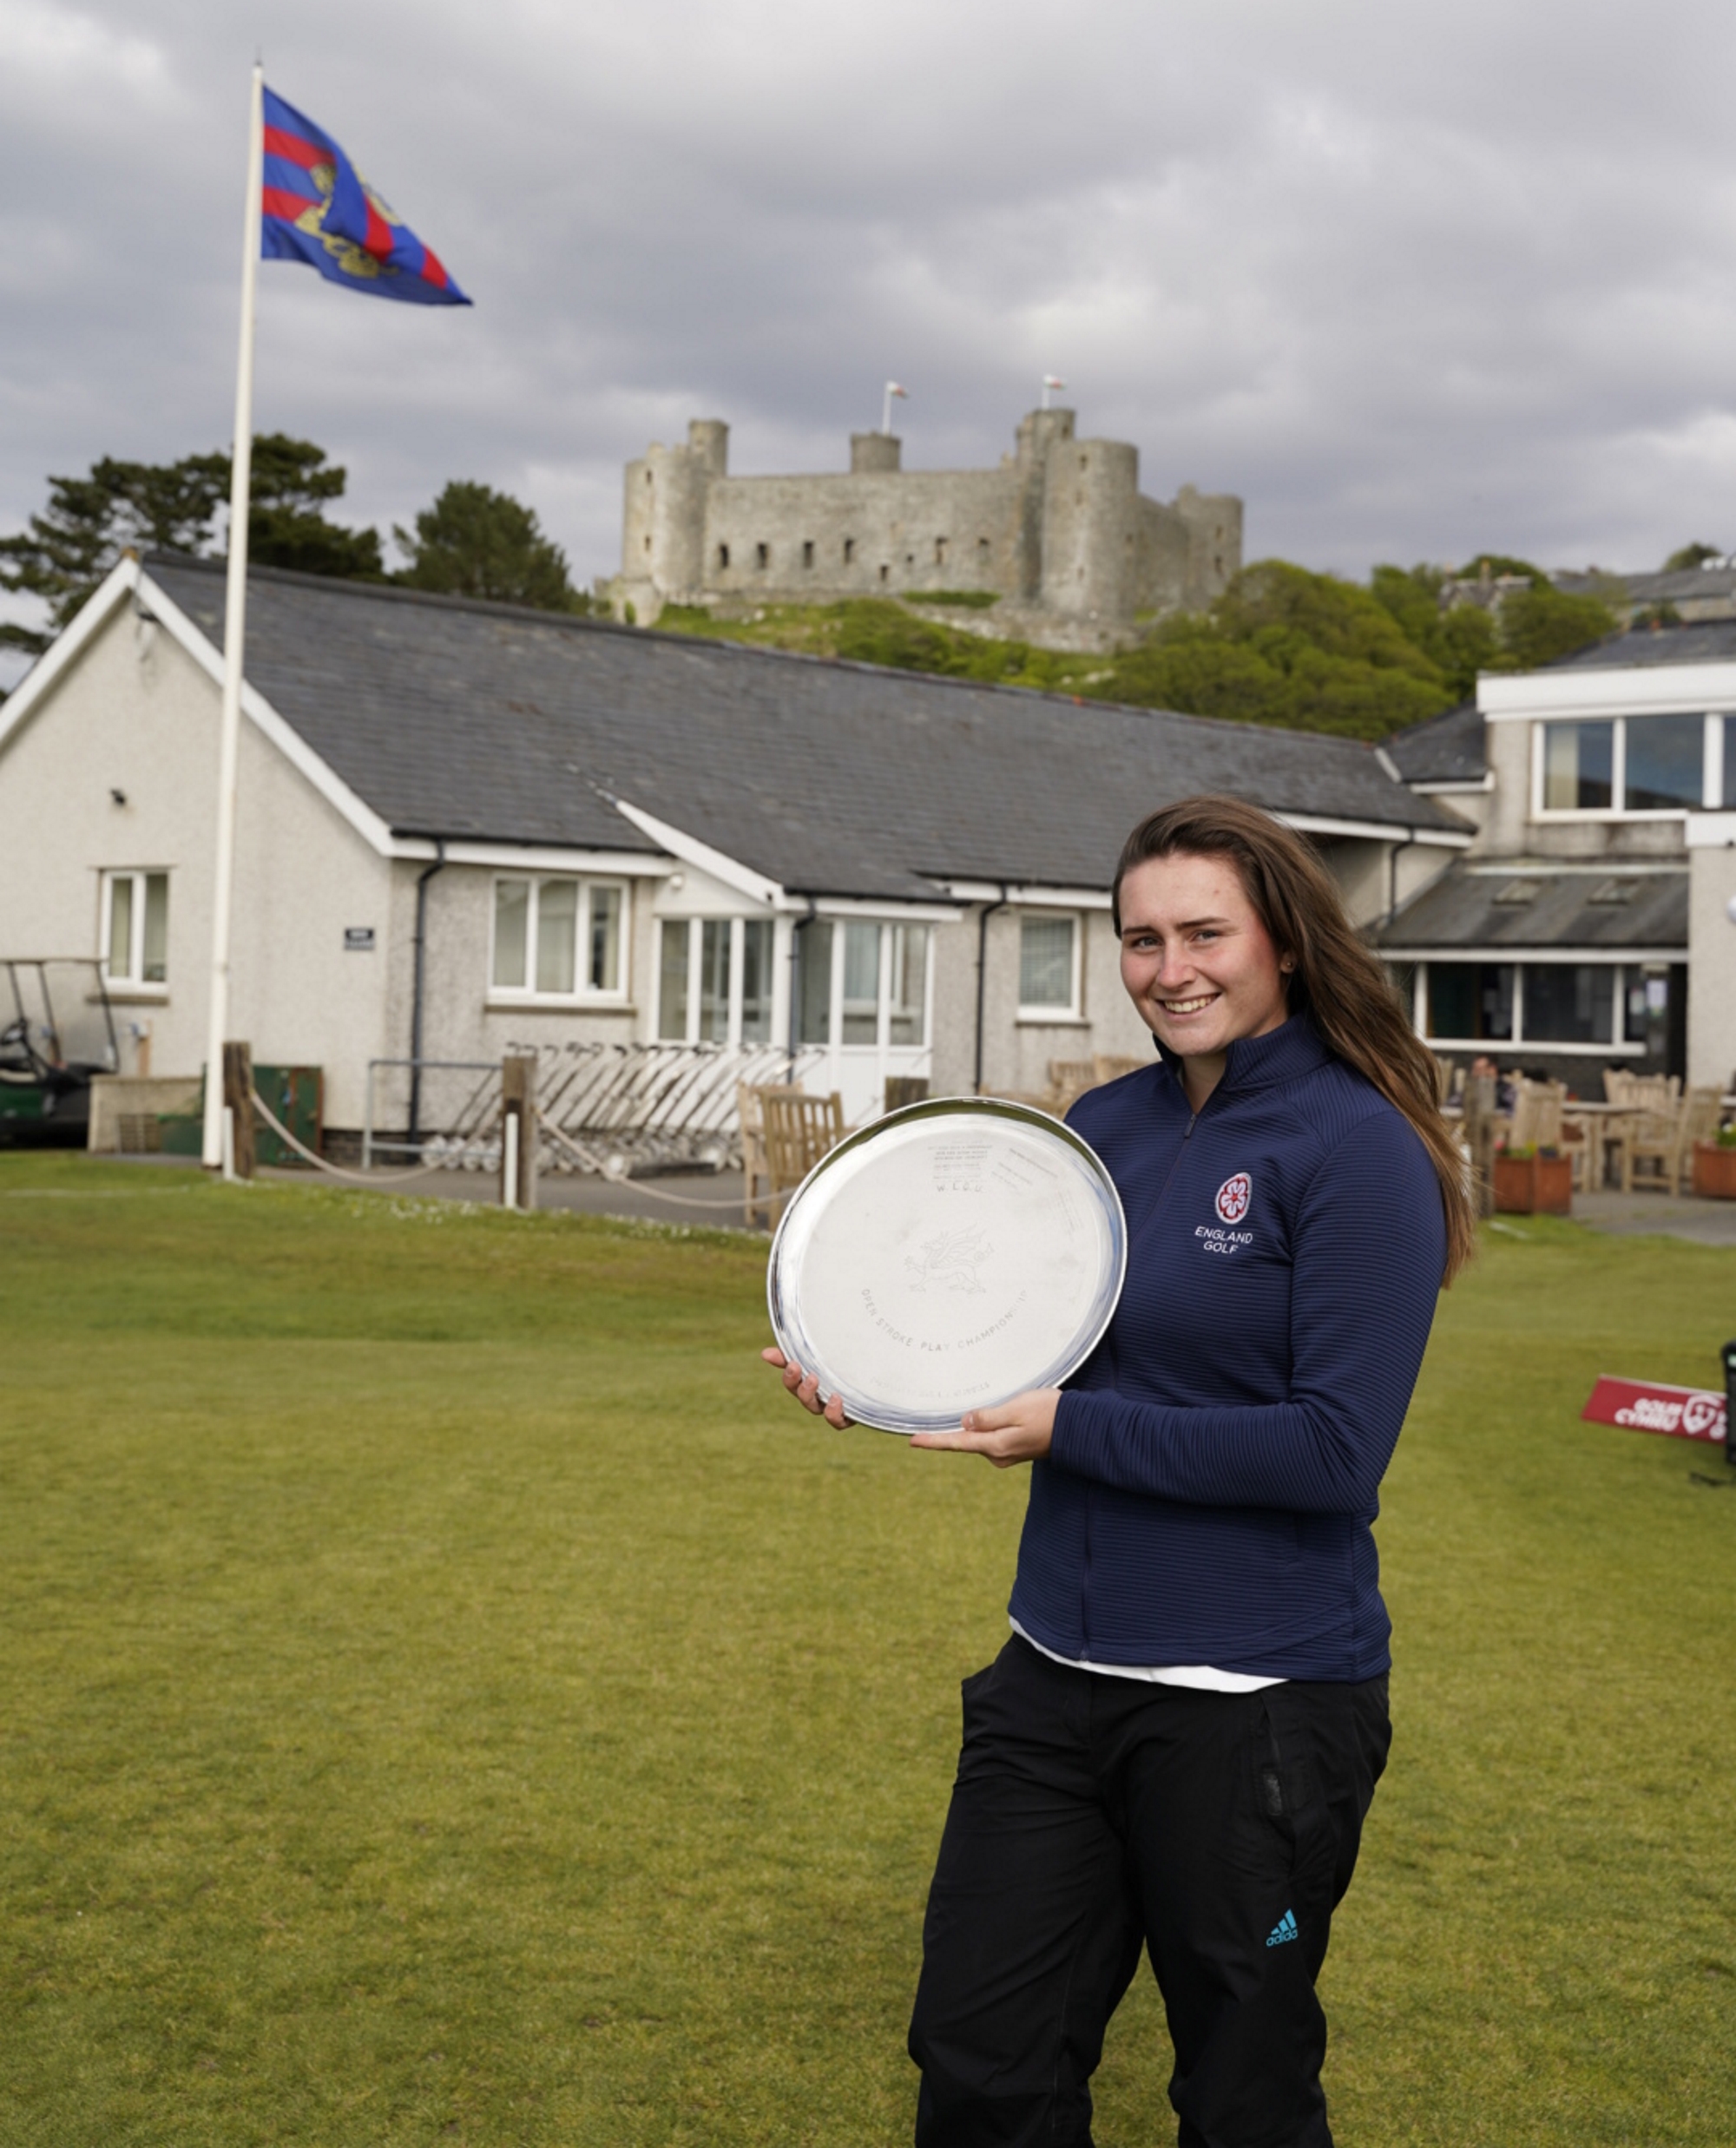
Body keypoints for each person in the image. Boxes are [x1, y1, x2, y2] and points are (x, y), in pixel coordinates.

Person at [766, 794, 1475, 2147]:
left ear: (1283, 942)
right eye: (1140, 939)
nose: (1172, 969)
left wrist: (1069, 1433)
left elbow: (1332, 1452)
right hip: (1053, 1681)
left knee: (1242, 2089)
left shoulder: (1356, 1145)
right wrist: (861, 1371)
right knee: (981, 2060)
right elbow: (1037, 1350)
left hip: (1254, 1707)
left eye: (1205, 932)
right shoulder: (1108, 1127)